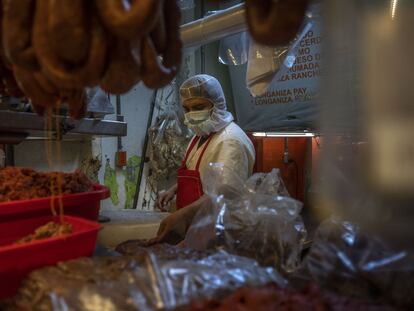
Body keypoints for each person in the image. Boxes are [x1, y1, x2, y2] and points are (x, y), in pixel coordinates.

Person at [154, 74, 255, 244]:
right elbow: (202, 174)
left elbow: (223, 197)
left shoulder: (230, 141)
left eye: (199, 107)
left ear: (217, 104)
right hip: (197, 226)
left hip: (219, 233)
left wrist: (182, 216)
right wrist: (173, 189)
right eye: (187, 109)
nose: (192, 114)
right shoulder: (200, 135)